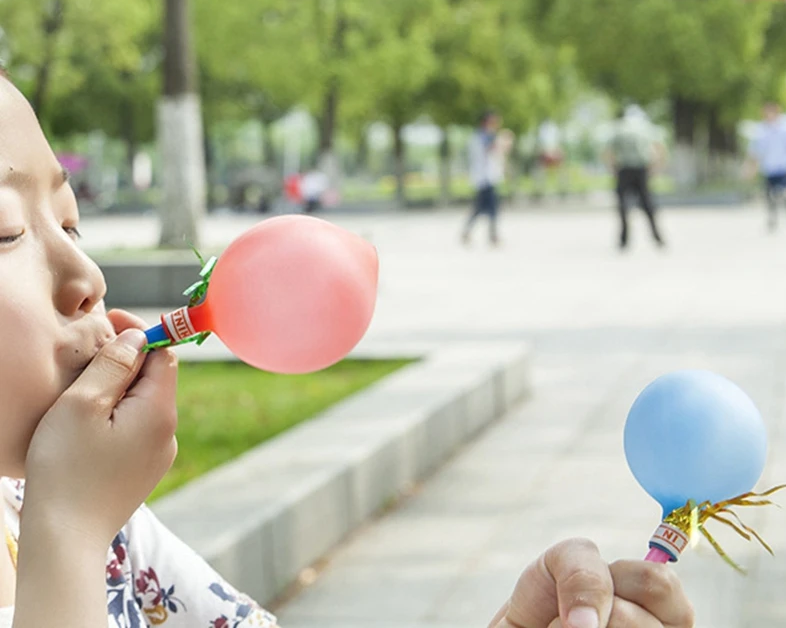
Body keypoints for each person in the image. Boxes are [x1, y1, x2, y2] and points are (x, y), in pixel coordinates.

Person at [0, 68, 693, 628]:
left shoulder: (83, 514)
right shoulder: (75, 514)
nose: (86, 276)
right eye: (6, 231)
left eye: (71, 221)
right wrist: (65, 533)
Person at [605, 105, 666, 250]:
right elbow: (659, 148)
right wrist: (656, 167)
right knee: (648, 205)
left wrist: (613, 169)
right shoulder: (647, 129)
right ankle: (657, 237)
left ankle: (624, 240)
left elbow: (608, 151)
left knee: (623, 206)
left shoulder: (619, 129)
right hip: (641, 169)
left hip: (624, 170)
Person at [745, 101, 786, 231]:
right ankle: (772, 219)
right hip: (769, 168)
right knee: (769, 194)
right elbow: (755, 151)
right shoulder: (761, 130)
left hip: (784, 166)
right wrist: (751, 169)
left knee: (783, 192)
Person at [462, 110, 513, 246]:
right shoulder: (481, 137)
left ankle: (469, 232)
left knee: (481, 208)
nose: (495, 124)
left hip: (489, 178)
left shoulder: (486, 136)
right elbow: (492, 149)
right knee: (491, 207)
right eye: (493, 121)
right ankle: (492, 236)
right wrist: (503, 141)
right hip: (484, 178)